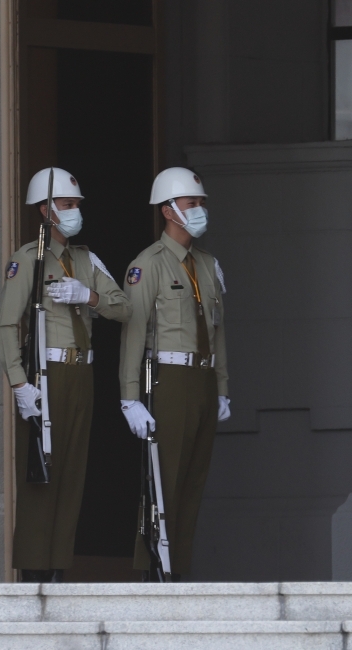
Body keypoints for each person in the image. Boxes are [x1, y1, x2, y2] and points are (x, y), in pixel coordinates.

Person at [0, 167, 132, 582]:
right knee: (42, 475)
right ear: (45, 210)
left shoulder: (87, 260)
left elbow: (123, 307)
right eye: (67, 205)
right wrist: (20, 384)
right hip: (46, 372)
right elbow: (5, 325)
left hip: (81, 373)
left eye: (76, 205)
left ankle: (57, 567)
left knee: (72, 475)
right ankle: (34, 570)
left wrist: (87, 294)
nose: (74, 212)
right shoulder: (28, 259)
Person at [118, 166, 231, 581]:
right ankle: (153, 571)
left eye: (201, 203)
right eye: (191, 203)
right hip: (169, 379)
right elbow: (133, 332)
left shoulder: (207, 265)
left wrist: (221, 387)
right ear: (168, 211)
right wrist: (129, 396)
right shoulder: (148, 266)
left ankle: (178, 572)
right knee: (163, 482)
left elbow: (218, 332)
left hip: (201, 380)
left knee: (192, 484)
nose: (199, 209)